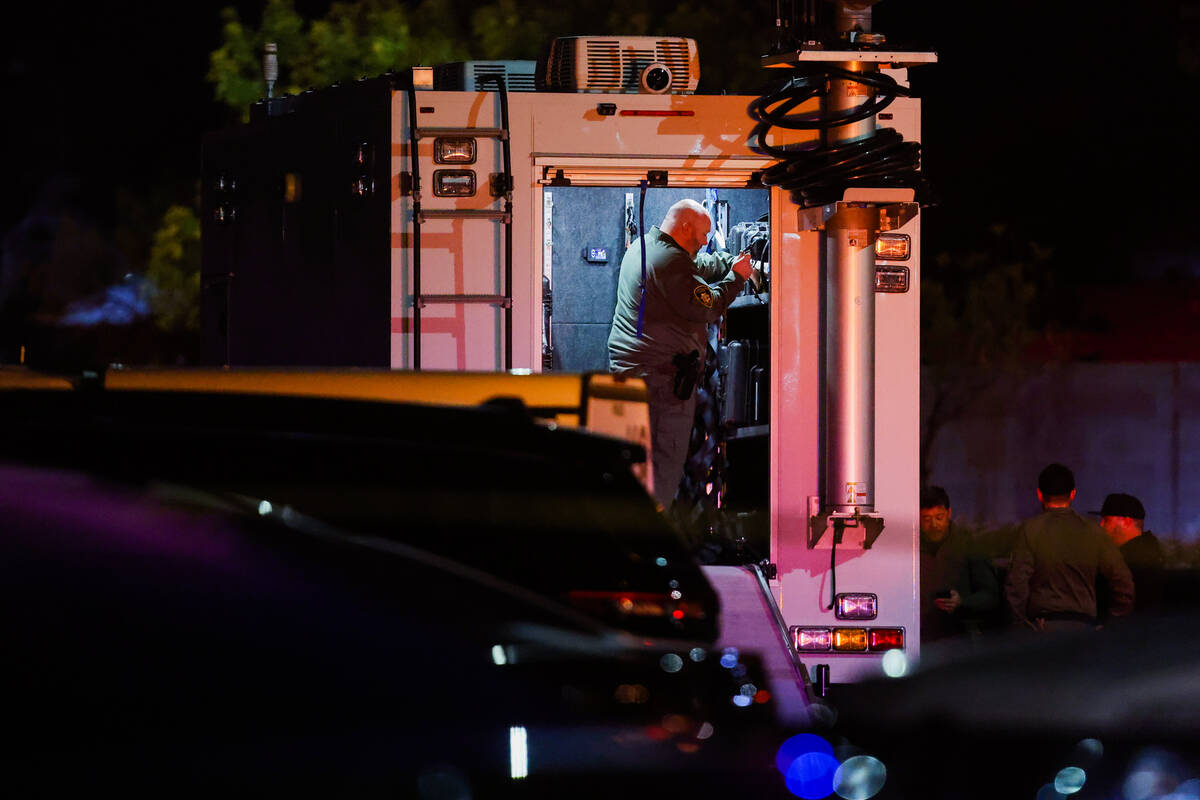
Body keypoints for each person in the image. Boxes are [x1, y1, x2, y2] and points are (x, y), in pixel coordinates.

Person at [608, 198, 753, 510]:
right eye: (702, 235)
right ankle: (649, 540)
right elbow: (708, 306)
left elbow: (696, 266)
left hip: (637, 377)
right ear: (685, 226)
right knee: (662, 464)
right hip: (660, 384)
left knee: (637, 464)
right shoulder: (669, 263)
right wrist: (737, 277)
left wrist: (729, 261)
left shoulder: (648, 246)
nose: (704, 242)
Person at [1004, 463, 1135, 633]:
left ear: (1039, 494)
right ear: (1073, 494)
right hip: (1084, 627)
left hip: (1044, 628)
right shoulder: (1093, 531)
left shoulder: (1029, 530)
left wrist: (1022, 627)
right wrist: (1112, 622)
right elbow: (1123, 582)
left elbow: (1016, 585)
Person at [919, 486, 1000, 643]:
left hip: (960, 638)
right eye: (926, 519)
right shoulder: (911, 547)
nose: (934, 525)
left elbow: (990, 595)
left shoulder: (968, 544)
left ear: (949, 514)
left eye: (939, 517)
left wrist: (962, 602)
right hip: (921, 638)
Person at [1096, 492, 1166, 616]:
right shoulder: (1152, 553)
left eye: (1107, 520)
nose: (1101, 525)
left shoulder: (1130, 560)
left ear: (1127, 521)